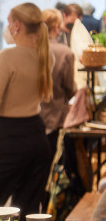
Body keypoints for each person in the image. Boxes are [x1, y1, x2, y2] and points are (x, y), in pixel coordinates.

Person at [0, 2, 53, 221]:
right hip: (37, 136)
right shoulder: (46, 55)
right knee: (28, 210)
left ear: (17, 25)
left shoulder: (8, 56)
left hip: (10, 139)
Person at [40, 9, 76, 160]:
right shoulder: (65, 53)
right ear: (56, 27)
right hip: (55, 116)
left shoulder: (28, 50)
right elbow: (70, 88)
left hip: (29, 118)